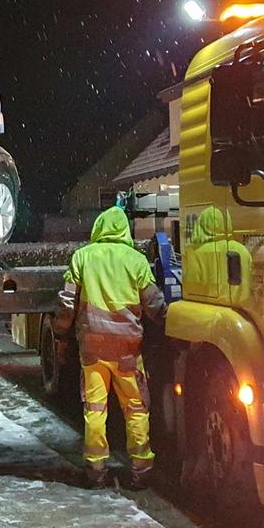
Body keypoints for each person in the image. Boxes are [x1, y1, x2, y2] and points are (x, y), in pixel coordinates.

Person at [59, 206, 166, 489]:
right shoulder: (136, 260)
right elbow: (154, 304)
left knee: (95, 409)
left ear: (99, 227)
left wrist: (61, 330)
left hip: (92, 349)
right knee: (135, 408)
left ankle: (96, 471)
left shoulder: (82, 257)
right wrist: (170, 327)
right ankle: (141, 470)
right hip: (127, 351)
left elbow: (67, 303)